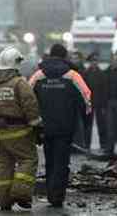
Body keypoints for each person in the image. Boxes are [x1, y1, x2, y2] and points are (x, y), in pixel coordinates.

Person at [30, 44, 91, 208]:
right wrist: (85, 122)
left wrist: (33, 122)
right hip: (66, 126)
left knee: (49, 160)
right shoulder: (73, 75)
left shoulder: (38, 75)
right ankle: (57, 196)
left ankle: (51, 193)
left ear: (50, 55)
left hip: (44, 126)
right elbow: (86, 98)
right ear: (65, 57)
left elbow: (27, 99)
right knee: (62, 161)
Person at [0, 46, 42, 211]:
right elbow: (30, 106)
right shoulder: (19, 83)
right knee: (28, 159)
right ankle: (21, 193)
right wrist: (37, 126)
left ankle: (3, 200)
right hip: (19, 131)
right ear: (16, 63)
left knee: (3, 164)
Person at [83, 52, 107, 151]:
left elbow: (105, 90)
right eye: (93, 60)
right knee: (88, 125)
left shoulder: (102, 74)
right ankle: (87, 145)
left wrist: (103, 104)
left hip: (99, 103)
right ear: (90, 62)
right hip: (89, 103)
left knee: (101, 125)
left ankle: (103, 145)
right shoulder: (85, 74)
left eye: (96, 60)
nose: (94, 62)